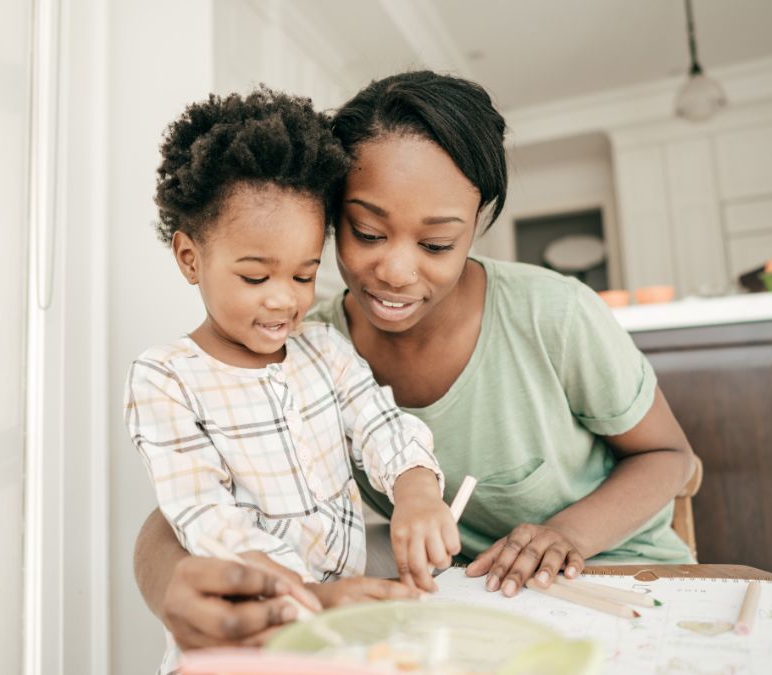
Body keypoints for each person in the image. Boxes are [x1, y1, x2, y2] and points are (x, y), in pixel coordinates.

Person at [132, 71, 697, 649]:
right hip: (472, 597)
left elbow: (670, 456)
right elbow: (189, 505)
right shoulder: (301, 345)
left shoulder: (555, 316)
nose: (397, 272)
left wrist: (565, 534)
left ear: (476, 225)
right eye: (368, 232)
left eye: (435, 244)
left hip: (618, 574)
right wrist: (172, 584)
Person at [125, 88, 461, 670]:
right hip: (251, 632)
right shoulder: (167, 378)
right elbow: (205, 518)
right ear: (190, 259)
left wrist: (415, 489)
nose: (284, 300)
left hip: (343, 627)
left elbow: (381, 423)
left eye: (304, 276)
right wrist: (307, 600)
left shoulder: (324, 350)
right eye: (256, 277)